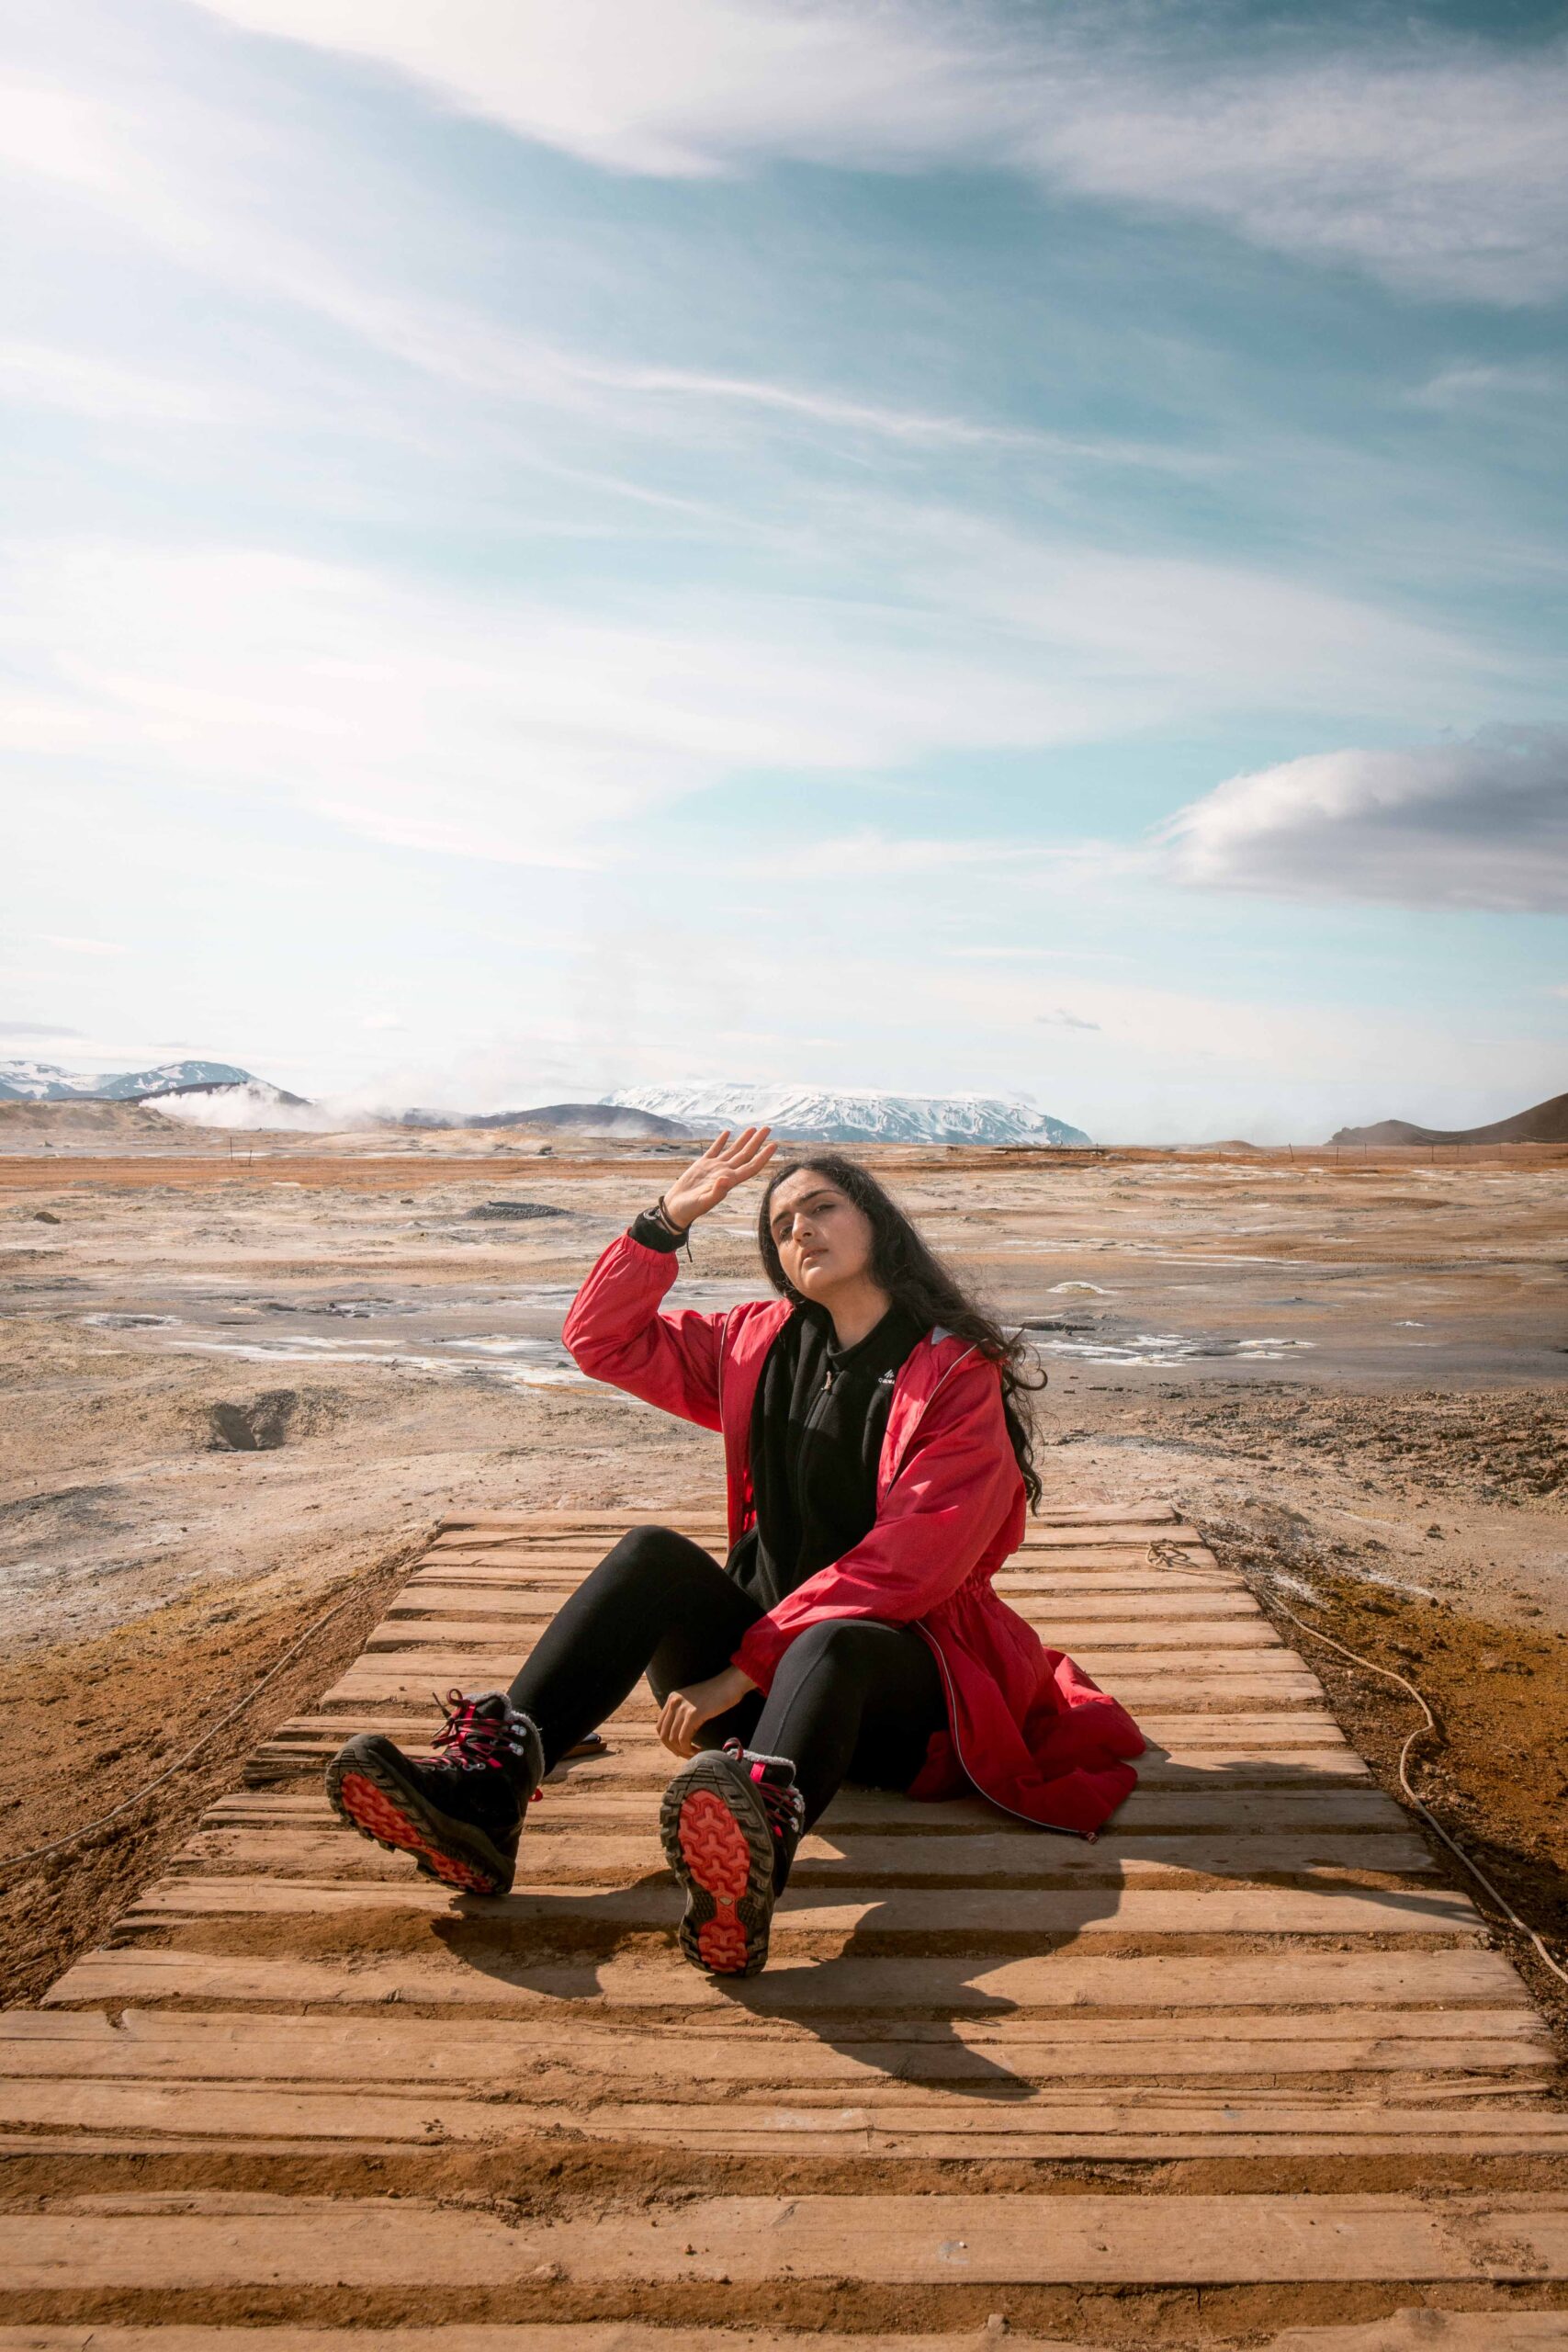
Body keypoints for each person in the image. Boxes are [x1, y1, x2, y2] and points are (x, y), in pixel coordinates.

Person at [326, 1129, 1145, 1976]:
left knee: (834, 1638)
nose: (801, 1230)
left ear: (877, 1225)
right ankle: (490, 1792)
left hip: (891, 1696)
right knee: (649, 1554)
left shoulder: (952, 1374)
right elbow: (602, 1343)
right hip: (751, 1686)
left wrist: (746, 1667)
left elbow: (915, 1559)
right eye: (782, 1223)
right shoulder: (755, 1343)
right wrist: (664, 1223)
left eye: (822, 1207)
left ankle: (752, 1854)